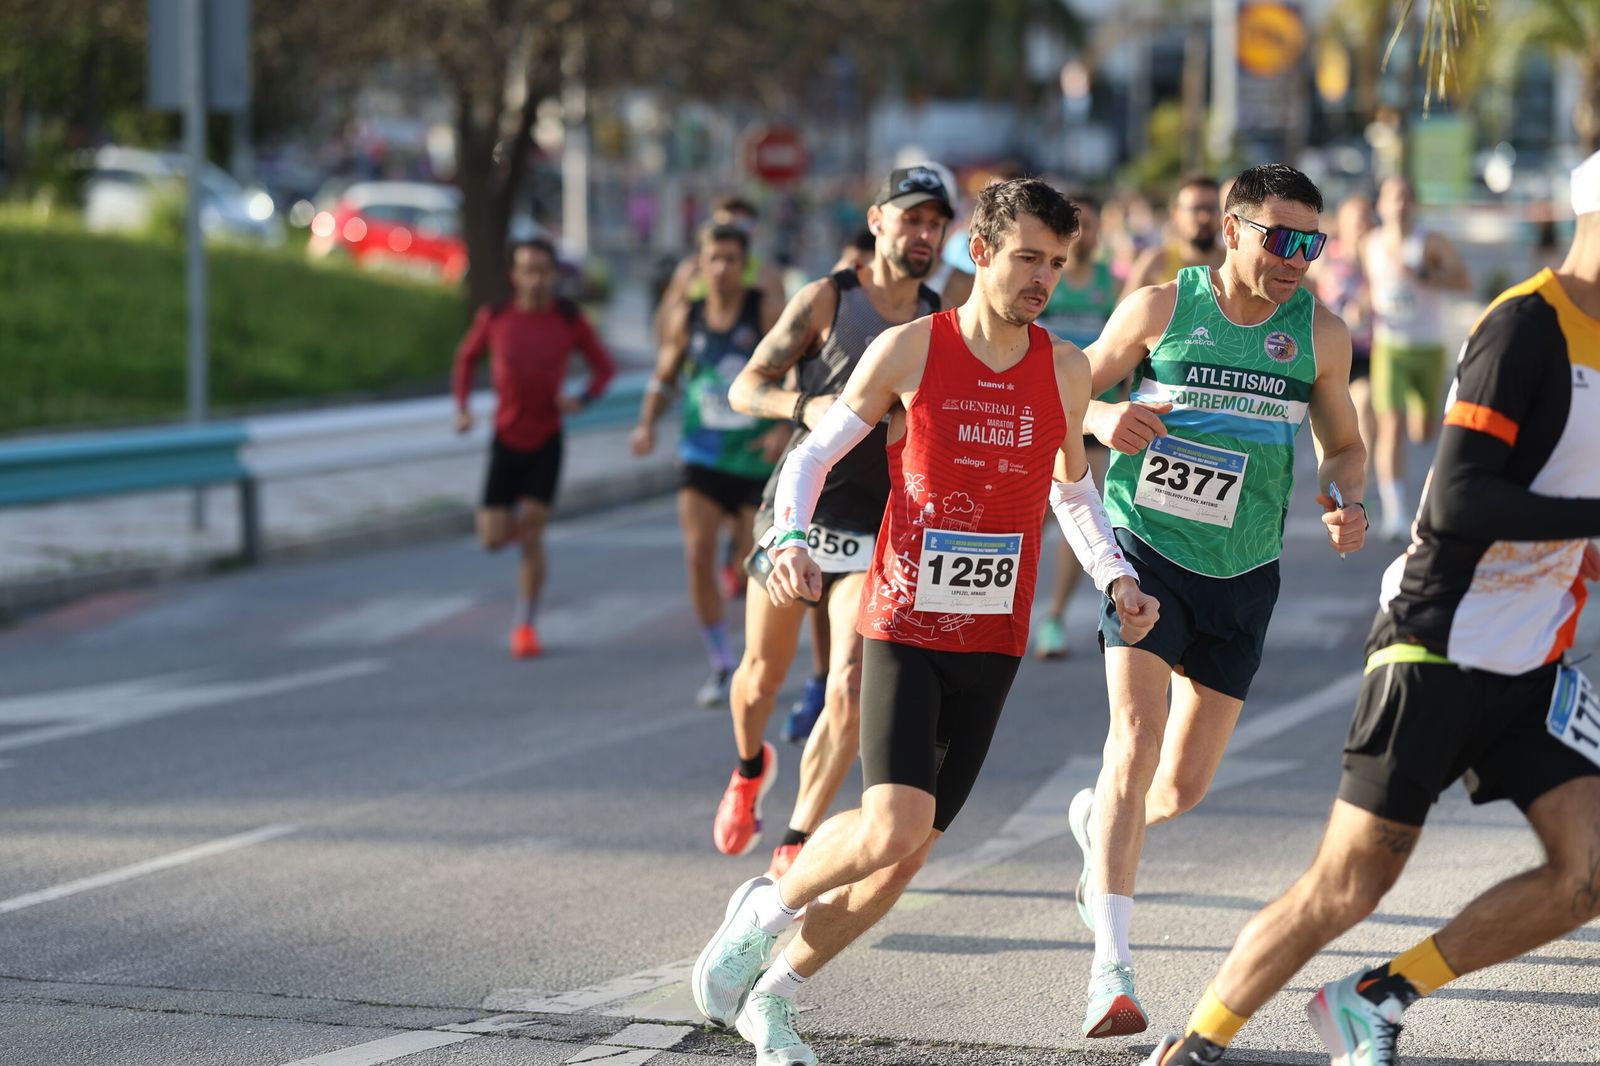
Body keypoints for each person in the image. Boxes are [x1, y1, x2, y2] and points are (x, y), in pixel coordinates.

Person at [1143, 149, 1600, 1066]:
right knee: (1348, 886)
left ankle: (1376, 997)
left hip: (1534, 658)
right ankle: (1195, 1045)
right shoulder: (1527, 327)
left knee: (1586, 874)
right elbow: (1461, 498)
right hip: (1439, 642)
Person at [689, 178, 1160, 1066]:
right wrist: (790, 537)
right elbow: (812, 457)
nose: (1043, 279)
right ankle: (766, 910)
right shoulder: (911, 348)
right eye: (1027, 258)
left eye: (1057, 264)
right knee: (894, 826)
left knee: (903, 859)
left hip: (994, 641)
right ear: (978, 253)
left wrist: (1115, 577)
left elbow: (1070, 490)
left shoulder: (1064, 367)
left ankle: (777, 995)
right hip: (905, 621)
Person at [1073, 164, 1368, 1037]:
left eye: (1312, 242)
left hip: (1245, 571)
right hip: (1146, 550)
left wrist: (1346, 496)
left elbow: (1344, 445)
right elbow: (1067, 392)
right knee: (1134, 740)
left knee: (1181, 787)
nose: (1297, 258)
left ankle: (1095, 820)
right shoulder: (1160, 309)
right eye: (1282, 238)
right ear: (1233, 230)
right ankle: (1111, 970)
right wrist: (1102, 421)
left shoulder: (1320, 333)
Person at [711, 166, 949, 879]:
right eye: (911, 219)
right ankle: (750, 767)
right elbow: (744, 386)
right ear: (877, 222)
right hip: (799, 513)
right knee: (761, 678)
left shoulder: (940, 317)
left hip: (878, 526)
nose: (925, 234)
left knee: (847, 685)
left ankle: (795, 838)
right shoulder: (826, 299)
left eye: (936, 223)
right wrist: (802, 407)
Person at [631, 223, 785, 705]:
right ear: (699, 264)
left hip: (753, 458)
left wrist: (783, 426)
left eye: (731, 260)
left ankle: (757, 656)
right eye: (712, 259)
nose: (721, 269)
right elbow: (665, 374)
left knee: (749, 566)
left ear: (745, 265)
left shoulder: (763, 310)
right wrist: (646, 423)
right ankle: (721, 661)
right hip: (702, 454)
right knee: (698, 553)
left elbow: (797, 369)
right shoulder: (689, 315)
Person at [452, 239, 617, 658]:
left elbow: (604, 367)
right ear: (514, 275)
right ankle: (511, 523)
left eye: (543, 271)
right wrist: (463, 408)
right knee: (491, 539)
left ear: (554, 274)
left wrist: (582, 398)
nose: (536, 279)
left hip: (547, 440)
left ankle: (525, 625)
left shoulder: (568, 319)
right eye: (527, 270)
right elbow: (466, 359)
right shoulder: (496, 317)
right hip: (506, 439)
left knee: (532, 532)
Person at [1035, 191, 1123, 659]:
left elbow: (1128, 351)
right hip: (1039, 412)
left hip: (1091, 418)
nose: (1083, 234)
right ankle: (1002, 604)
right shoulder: (1047, 278)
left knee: (1081, 514)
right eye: (1076, 225)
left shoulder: (1112, 284)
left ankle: (1054, 617)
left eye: (1091, 224)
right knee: (1032, 518)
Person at [1360, 176, 1472, 540]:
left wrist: (1425, 274)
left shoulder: (1429, 242)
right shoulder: (1370, 243)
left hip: (1427, 346)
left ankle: (1407, 496)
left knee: (1422, 431)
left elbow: (1464, 281)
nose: (1400, 204)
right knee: (1390, 425)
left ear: (1415, 204)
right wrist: (1360, 305)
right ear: (1381, 205)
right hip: (1390, 346)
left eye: (1407, 196)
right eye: (1393, 197)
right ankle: (1395, 513)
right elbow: (1371, 286)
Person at [1310, 193, 1378, 493]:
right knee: (1329, 423)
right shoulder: (1328, 255)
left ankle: (1361, 483)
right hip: (1330, 350)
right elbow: (1308, 286)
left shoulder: (1378, 257)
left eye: (1366, 219)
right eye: (1356, 219)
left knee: (1364, 406)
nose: (1362, 225)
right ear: (1343, 223)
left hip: (1364, 350)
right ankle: (1330, 482)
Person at [655, 194, 787, 344]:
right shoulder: (689, 271)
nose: (721, 269)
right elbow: (667, 317)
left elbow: (783, 332)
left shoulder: (768, 276)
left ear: (753, 230)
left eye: (741, 226)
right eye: (725, 224)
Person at [1121, 176, 1225, 299]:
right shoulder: (1155, 263)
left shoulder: (1231, 262)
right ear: (1176, 214)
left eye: (1211, 208)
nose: (1205, 217)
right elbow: (1123, 309)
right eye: (1196, 209)